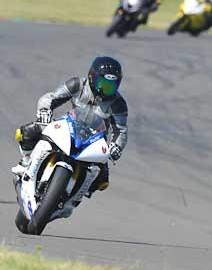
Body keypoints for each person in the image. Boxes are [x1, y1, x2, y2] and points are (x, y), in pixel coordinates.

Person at [12, 57, 128, 219]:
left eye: (111, 86)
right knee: (27, 131)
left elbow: (121, 130)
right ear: (91, 77)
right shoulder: (77, 85)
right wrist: (44, 112)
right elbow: (50, 98)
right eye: (103, 84)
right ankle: (25, 162)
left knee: (103, 180)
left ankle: (74, 199)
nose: (106, 89)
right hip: (69, 126)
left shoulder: (118, 104)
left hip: (94, 139)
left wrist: (116, 147)